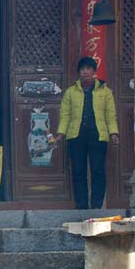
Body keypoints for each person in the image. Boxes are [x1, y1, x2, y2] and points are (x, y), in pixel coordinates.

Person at [55, 57, 119, 209]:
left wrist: (113, 133)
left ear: (94, 71)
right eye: (82, 69)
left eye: (88, 68)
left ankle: (96, 205)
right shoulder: (71, 92)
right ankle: (81, 205)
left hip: (98, 135)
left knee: (98, 170)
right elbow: (65, 115)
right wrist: (61, 133)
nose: (85, 71)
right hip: (76, 135)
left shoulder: (105, 91)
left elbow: (110, 114)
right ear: (79, 72)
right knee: (78, 170)